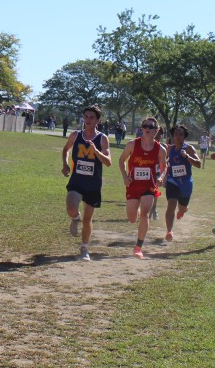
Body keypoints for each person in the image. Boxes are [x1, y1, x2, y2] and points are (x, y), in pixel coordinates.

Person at [61, 106, 112, 261]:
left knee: (88, 219)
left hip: (93, 184)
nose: (88, 120)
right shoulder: (75, 135)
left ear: (98, 120)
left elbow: (108, 162)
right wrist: (65, 164)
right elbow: (66, 150)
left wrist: (96, 151)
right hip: (77, 180)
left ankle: (84, 249)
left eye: (91, 117)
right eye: (86, 116)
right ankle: (75, 217)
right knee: (71, 209)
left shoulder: (102, 138)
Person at [118, 117, 167, 259]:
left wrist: (161, 176)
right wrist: (125, 176)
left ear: (156, 130)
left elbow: (164, 166)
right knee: (132, 218)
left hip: (149, 186)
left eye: (150, 127)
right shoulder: (132, 144)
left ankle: (138, 247)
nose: (147, 128)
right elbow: (121, 160)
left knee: (145, 214)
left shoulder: (160, 149)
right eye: (145, 126)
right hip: (133, 185)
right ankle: (137, 211)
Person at [163, 125, 202, 241]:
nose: (178, 136)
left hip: (186, 183)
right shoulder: (169, 149)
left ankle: (183, 210)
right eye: (176, 134)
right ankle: (169, 231)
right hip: (172, 181)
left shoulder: (189, 148)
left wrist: (187, 156)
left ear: (184, 136)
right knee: (171, 204)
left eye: (181, 134)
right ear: (173, 136)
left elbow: (198, 164)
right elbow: (164, 163)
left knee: (182, 208)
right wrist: (163, 176)